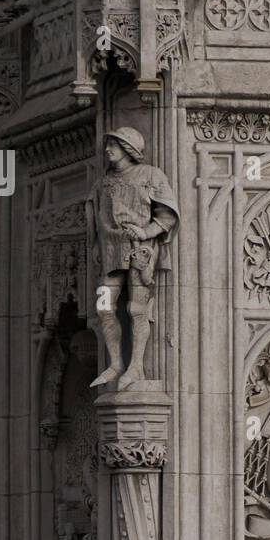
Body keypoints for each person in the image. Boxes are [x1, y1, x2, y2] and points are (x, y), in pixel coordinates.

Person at [87, 126, 179, 389]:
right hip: (111, 252)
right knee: (104, 306)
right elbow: (95, 215)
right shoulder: (103, 180)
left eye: (113, 145)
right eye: (108, 145)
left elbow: (168, 215)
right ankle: (116, 363)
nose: (107, 150)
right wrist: (94, 243)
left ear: (128, 148)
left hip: (140, 248)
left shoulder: (150, 174)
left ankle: (136, 365)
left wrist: (146, 230)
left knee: (137, 308)